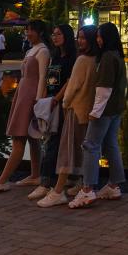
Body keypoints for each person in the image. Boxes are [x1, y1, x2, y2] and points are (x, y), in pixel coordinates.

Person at [0, 19, 51, 195]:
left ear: (40, 32)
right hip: (23, 94)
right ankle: (35, 175)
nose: (28, 33)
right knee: (32, 138)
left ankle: (2, 181)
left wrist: (38, 100)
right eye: (27, 30)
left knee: (19, 138)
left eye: (31, 30)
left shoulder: (43, 51)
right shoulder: (31, 50)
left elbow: (43, 77)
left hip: (30, 97)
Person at [37, 25, 99, 207]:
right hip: (88, 110)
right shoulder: (96, 59)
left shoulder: (81, 60)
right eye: (79, 37)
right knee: (82, 149)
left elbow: (72, 87)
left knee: (66, 150)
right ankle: (82, 183)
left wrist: (62, 103)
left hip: (74, 109)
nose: (80, 41)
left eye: (83, 38)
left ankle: (57, 191)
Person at [69, 22, 126, 208]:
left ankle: (87, 189)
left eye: (100, 36)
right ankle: (114, 185)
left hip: (104, 110)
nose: (98, 40)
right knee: (110, 144)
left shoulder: (108, 57)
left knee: (90, 146)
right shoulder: (118, 55)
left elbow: (104, 88)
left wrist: (95, 112)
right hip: (116, 109)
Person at [28, 24, 77, 202]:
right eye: (53, 34)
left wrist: (56, 99)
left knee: (54, 142)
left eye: (58, 34)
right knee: (49, 140)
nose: (54, 37)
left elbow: (69, 81)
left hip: (60, 103)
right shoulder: (55, 56)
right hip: (49, 101)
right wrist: (43, 99)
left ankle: (46, 182)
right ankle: (53, 180)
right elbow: (49, 79)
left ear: (67, 36)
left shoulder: (72, 58)